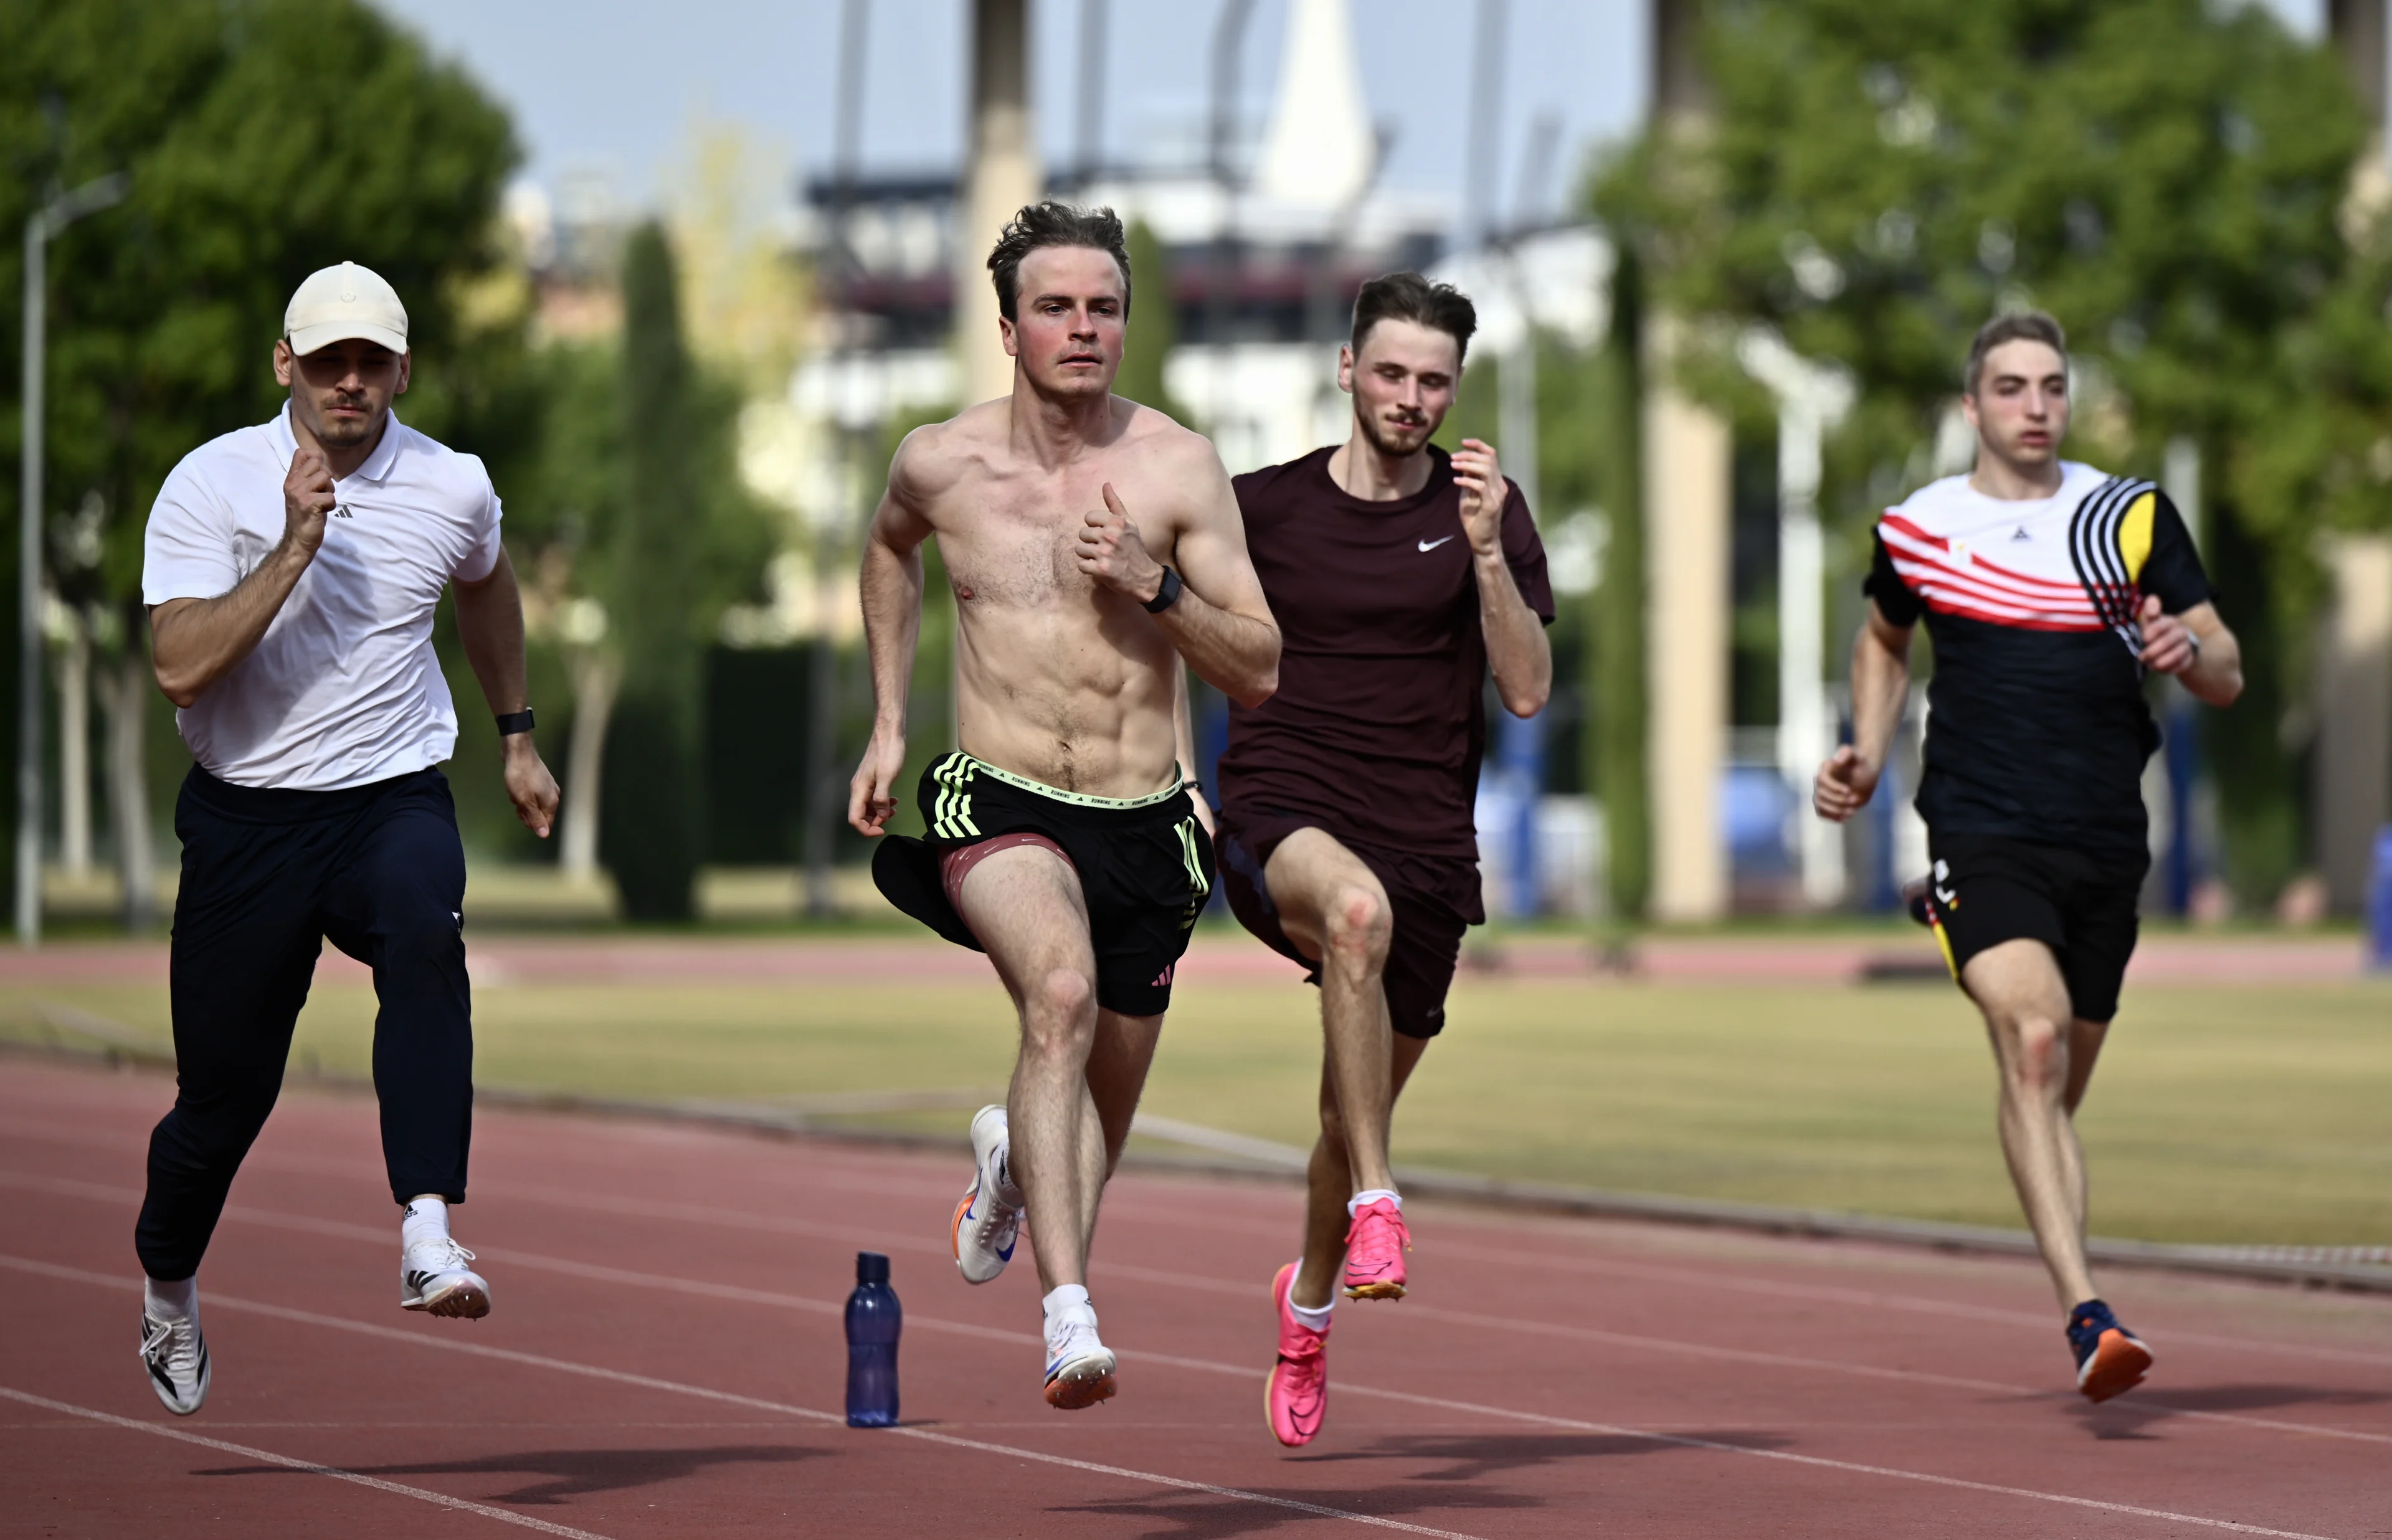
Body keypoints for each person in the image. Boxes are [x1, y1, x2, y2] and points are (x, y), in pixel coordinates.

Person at [848, 202, 1279, 1410]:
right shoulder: (941, 461)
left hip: (1146, 822)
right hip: (998, 794)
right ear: (1008, 326)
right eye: (1057, 306)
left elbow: (1258, 663)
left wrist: (1154, 587)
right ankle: (1069, 1317)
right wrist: (890, 719)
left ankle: (1009, 1179)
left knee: (1097, 1112)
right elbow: (888, 552)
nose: (1083, 327)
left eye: (1103, 307)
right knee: (1061, 993)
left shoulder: (1179, 467)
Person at [133, 262, 560, 1416]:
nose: (351, 382)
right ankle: (168, 1286)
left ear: (404, 369)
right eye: (328, 362)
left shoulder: (453, 484)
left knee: (427, 931)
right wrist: (291, 549)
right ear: (287, 366)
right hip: (248, 821)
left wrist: (515, 736)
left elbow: (487, 584)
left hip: (390, 796)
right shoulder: (210, 484)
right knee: (222, 1103)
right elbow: (177, 664)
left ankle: (429, 1227)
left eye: (373, 361)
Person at [1813, 311, 2241, 1404]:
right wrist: (1864, 750)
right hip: (1979, 826)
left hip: (2105, 840)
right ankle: (2089, 1315)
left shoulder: (2129, 516)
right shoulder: (1919, 527)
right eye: (2011, 388)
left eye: (2052, 386)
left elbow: (2227, 664)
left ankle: (2049, 1211)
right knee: (2036, 1041)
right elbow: (1882, 638)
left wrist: (2188, 651)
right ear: (1973, 406)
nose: (2036, 406)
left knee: (2050, 1089)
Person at [1212, 272, 1552, 1448]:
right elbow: (1164, 625)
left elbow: (1524, 690)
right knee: (1352, 916)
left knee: (1340, 1112)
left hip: (1426, 838)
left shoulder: (1486, 509)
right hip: (1284, 799)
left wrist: (1488, 557)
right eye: (1393, 373)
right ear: (1347, 370)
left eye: (1435, 381)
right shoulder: (1261, 508)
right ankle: (1381, 1201)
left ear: (1457, 389)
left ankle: (1306, 1312)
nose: (1412, 398)